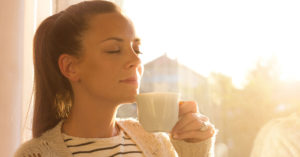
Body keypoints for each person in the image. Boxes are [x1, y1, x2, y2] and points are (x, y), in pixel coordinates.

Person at [14, 1, 217, 156]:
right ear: (70, 67)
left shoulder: (156, 144)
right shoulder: (35, 154)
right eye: (114, 50)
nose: (136, 60)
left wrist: (194, 149)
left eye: (137, 49)